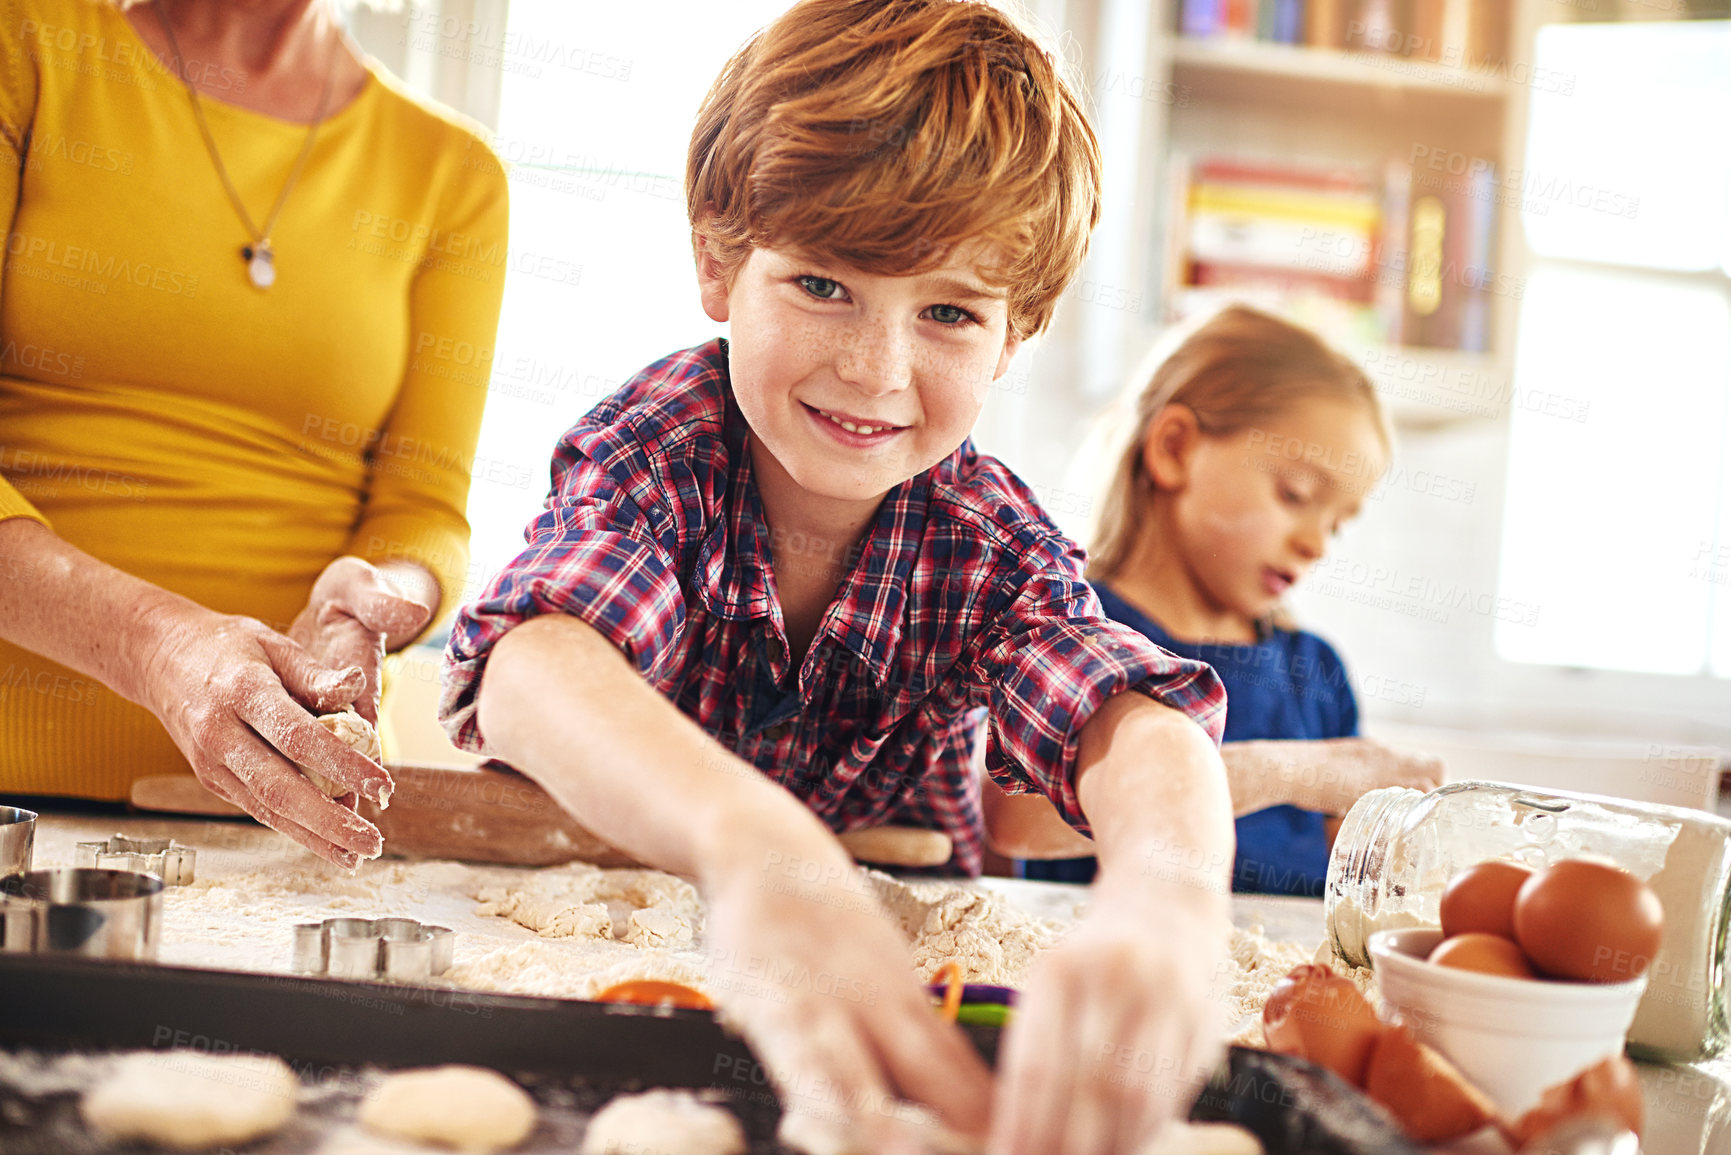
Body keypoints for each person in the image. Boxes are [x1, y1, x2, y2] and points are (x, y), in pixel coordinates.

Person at [439, 1, 1234, 1150]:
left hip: (899, 1010)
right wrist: (756, 849)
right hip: (627, 987)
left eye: (950, 312)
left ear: (1019, 334)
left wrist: (1167, 899)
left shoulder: (985, 540)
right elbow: (534, 661)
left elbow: (1130, 716)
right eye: (823, 285)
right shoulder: (663, 450)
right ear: (718, 263)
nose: (875, 371)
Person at [0, 0, 507, 868]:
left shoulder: (452, 173)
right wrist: (157, 644)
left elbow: (424, 509)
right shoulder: (28, 42)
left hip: (289, 827)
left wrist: (370, 603)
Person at [1012, 305, 1444, 893]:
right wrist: (1296, 772)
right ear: (1175, 448)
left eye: (1337, 525)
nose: (1315, 543)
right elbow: (1013, 823)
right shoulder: (1071, 633)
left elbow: (1353, 890)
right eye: (1295, 494)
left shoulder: (1314, 674)